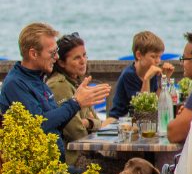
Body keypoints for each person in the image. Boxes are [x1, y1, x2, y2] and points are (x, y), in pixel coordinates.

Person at [0, 22, 110, 160]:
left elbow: (56, 124)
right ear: (33, 54)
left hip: (57, 166)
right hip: (39, 173)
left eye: (56, 51)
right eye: (52, 53)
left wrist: (79, 107)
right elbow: (39, 125)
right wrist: (75, 103)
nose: (57, 57)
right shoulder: (16, 84)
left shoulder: (38, 80)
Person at [46, 32, 103, 143]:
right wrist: (92, 123)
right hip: (74, 156)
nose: (83, 61)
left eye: (84, 55)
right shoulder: (59, 85)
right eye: (77, 58)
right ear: (62, 63)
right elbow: (76, 134)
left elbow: (99, 123)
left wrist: (88, 123)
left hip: (85, 150)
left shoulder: (77, 83)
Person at [107, 30, 173, 123]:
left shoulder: (151, 72)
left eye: (159, 57)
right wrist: (146, 79)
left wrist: (164, 79)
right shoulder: (129, 75)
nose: (158, 61)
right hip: (119, 121)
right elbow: (143, 109)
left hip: (138, 121)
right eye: (153, 57)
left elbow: (155, 103)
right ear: (139, 55)